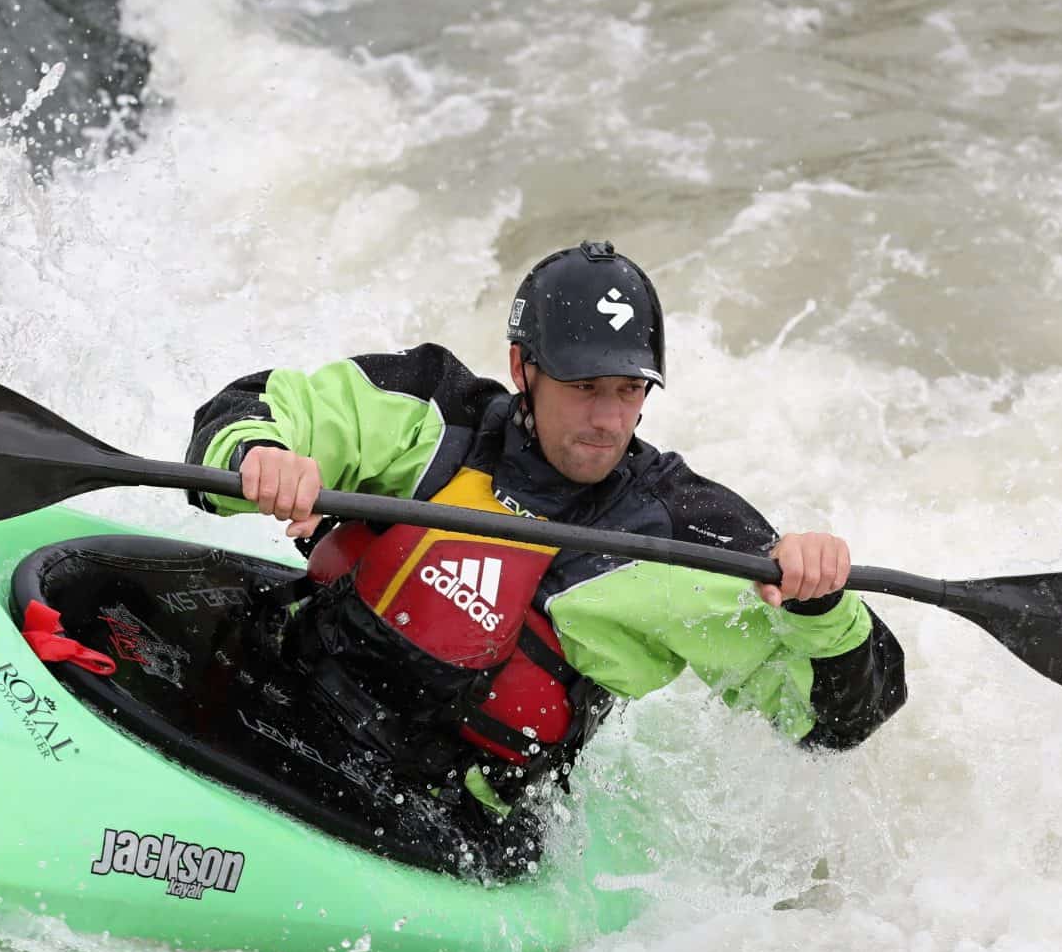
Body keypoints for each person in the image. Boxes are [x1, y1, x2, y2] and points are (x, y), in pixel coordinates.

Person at [185, 241, 906, 824]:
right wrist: (260, 457)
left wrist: (824, 607)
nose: (607, 418)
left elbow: (834, 724)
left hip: (440, 819)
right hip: (282, 687)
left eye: (629, 390)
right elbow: (255, 408)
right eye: (584, 387)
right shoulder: (437, 415)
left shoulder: (683, 531)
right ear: (522, 370)